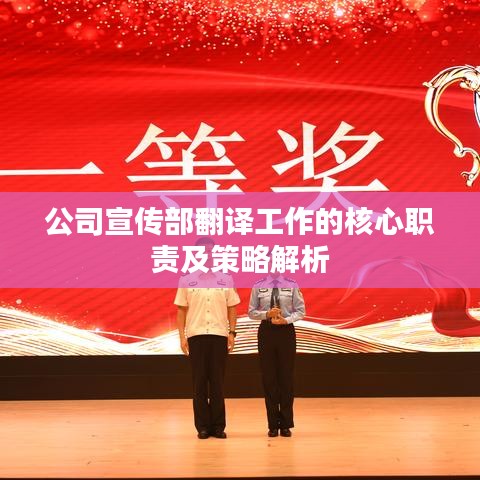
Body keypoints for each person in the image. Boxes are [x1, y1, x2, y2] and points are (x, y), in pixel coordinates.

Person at [174, 237, 240, 439]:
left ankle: (218, 426)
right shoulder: (186, 280)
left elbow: (232, 308)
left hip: (219, 336)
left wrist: (232, 333)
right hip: (196, 336)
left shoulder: (226, 279)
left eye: (210, 251)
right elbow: (181, 310)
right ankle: (202, 426)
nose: (207, 255)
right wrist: (182, 337)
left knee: (218, 383)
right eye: (203, 252)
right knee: (199, 383)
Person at [248, 274, 305, 437]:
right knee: (269, 378)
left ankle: (286, 424)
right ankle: (273, 424)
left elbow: (301, 311)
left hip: (286, 331)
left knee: (286, 378)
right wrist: (266, 314)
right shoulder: (258, 285)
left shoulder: (292, 284)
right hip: (266, 332)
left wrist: (286, 320)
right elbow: (251, 312)